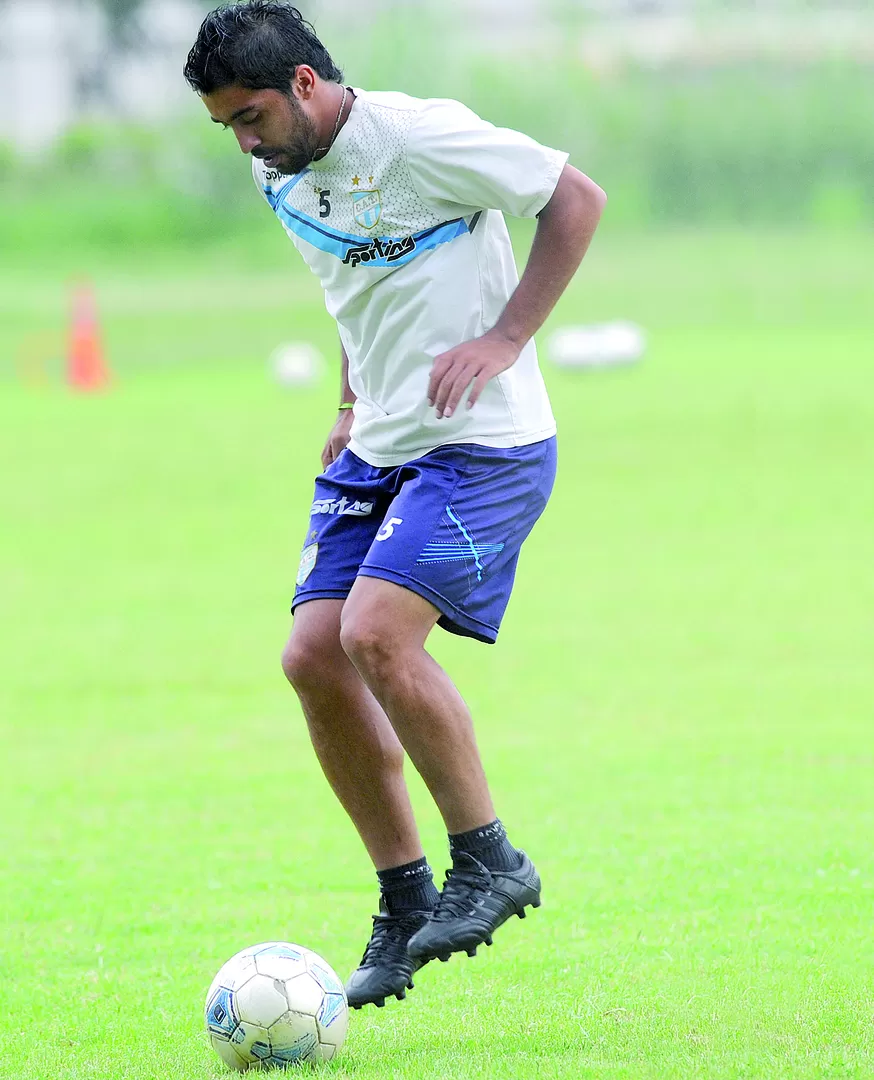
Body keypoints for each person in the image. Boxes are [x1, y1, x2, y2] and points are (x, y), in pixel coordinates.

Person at [184, 0, 606, 1011]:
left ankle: (490, 860)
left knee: (377, 634)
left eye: (249, 116)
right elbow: (354, 286)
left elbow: (575, 198)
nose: (241, 142)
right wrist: (344, 399)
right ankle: (405, 897)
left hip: (484, 443)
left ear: (305, 84)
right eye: (223, 127)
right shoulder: (277, 169)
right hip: (377, 441)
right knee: (311, 658)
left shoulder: (419, 138)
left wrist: (504, 339)